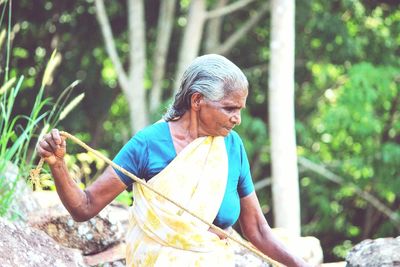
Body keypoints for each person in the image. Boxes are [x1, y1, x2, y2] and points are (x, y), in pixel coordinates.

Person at [37, 54, 310, 267]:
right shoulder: (148, 144)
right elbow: (84, 207)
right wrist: (58, 165)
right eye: (229, 108)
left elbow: (258, 230)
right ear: (197, 100)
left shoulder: (232, 147)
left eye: (239, 109)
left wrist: (299, 264)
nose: (237, 118)